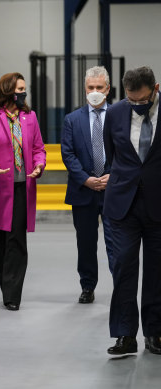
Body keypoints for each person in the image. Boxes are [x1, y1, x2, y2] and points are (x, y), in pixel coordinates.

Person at [0, 72, 46, 311]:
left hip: (22, 187)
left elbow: (39, 149)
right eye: (19, 89)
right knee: (3, 240)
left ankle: (13, 294)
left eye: (25, 89)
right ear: (7, 91)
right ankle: (7, 287)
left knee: (17, 239)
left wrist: (39, 164)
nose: (23, 93)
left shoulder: (30, 117)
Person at [103, 66, 161, 356]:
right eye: (131, 100)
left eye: (143, 100)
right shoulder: (114, 114)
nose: (138, 105)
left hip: (158, 205)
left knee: (157, 270)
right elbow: (112, 156)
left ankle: (156, 332)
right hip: (122, 204)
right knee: (123, 266)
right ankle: (125, 334)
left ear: (156, 88)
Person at [61, 66, 115, 304]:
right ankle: (87, 286)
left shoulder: (118, 116)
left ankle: (121, 285)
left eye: (99, 88)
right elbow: (68, 154)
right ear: (85, 89)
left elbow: (126, 151)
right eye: (90, 88)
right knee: (85, 242)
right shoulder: (72, 120)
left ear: (108, 89)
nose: (94, 92)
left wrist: (113, 175)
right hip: (83, 190)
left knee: (117, 242)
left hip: (114, 190)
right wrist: (85, 178)